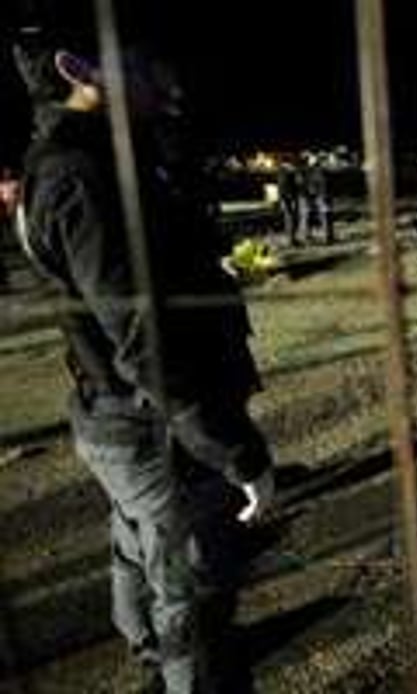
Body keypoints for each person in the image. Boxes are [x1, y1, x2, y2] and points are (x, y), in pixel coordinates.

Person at [12, 21, 274, 693]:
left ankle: (150, 654)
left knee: (139, 546)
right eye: (144, 64)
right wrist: (234, 450)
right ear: (79, 69)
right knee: (195, 592)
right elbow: (143, 340)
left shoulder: (97, 158)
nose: (167, 82)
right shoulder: (81, 175)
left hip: (127, 416)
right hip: (154, 422)